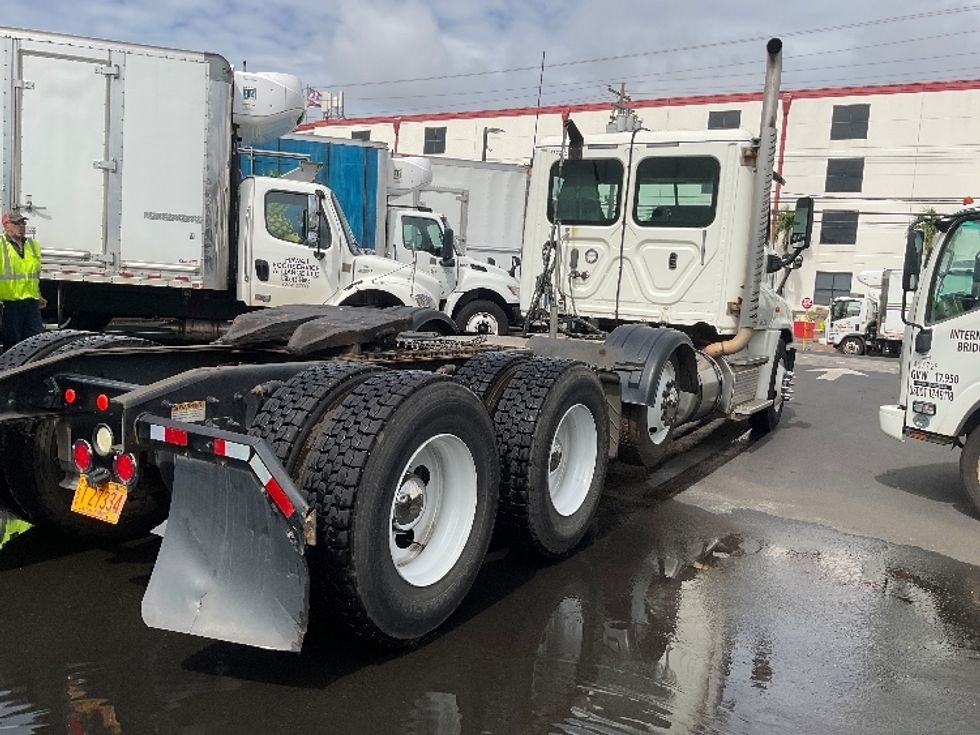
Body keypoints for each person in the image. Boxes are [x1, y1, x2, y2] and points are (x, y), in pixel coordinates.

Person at [0, 211, 45, 350]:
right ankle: (11, 370)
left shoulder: (33, 245)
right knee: (12, 342)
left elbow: (34, 274)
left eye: (23, 223)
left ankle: (30, 370)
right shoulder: (1, 245)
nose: (21, 226)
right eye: (17, 223)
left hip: (31, 302)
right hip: (9, 303)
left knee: (35, 340)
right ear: (6, 225)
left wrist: (39, 295)